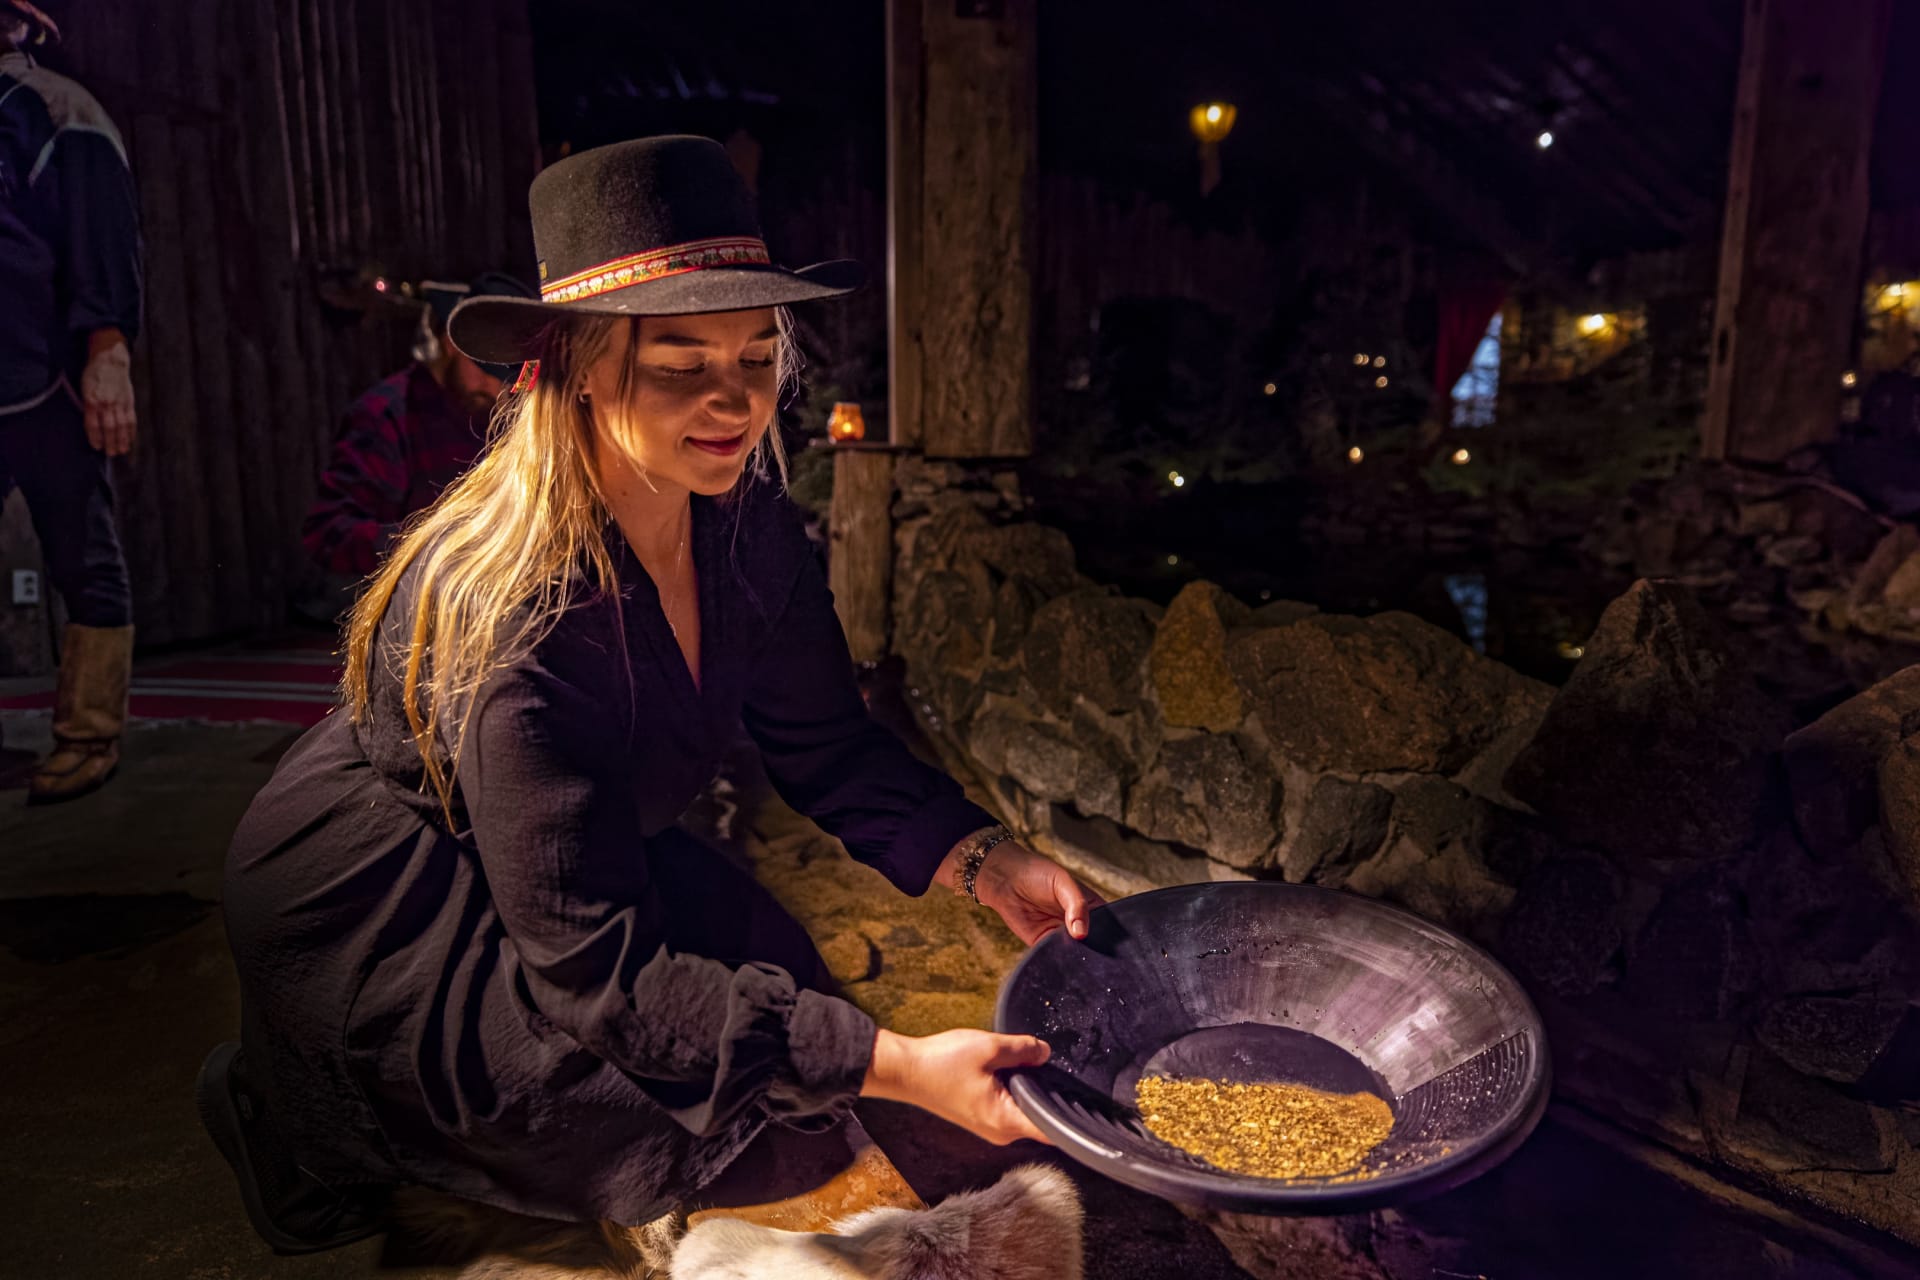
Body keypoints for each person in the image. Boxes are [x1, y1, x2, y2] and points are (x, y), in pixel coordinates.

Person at [200, 136, 1102, 1253]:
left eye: (757, 354)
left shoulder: (747, 523)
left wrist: (981, 855)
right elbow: (603, 979)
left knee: (777, 985)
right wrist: (906, 1065)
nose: (736, 401)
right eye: (682, 363)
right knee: (622, 1093)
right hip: (389, 897)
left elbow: (823, 740)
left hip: (572, 845)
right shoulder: (518, 622)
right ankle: (294, 1107)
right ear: (580, 364)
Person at [0, 1, 144, 804]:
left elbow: (102, 233)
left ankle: (89, 735)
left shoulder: (56, 107)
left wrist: (107, 353)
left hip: (47, 378)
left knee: (81, 554)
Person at [296, 272, 534, 621]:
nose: (497, 389)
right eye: (487, 369)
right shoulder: (387, 415)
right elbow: (328, 533)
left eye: (508, 377)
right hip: (405, 617)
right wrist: (436, 541)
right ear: (452, 342)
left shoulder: (499, 412)